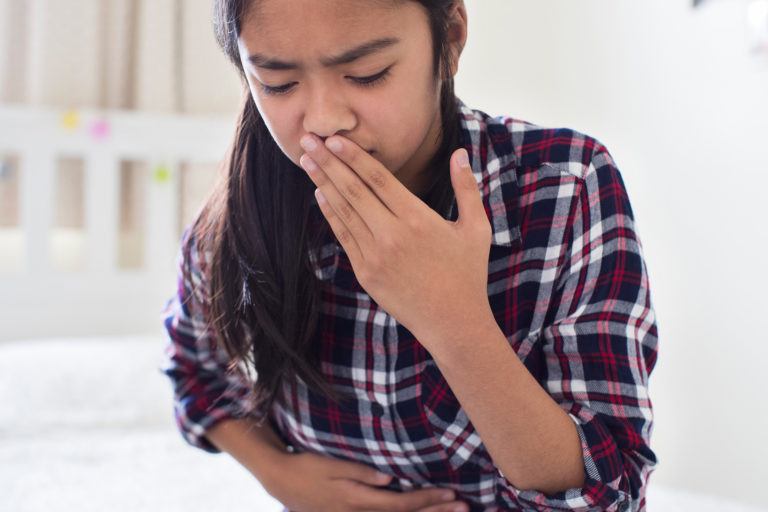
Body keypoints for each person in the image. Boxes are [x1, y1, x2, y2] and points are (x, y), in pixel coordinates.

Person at [159, 1, 659, 511]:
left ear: (452, 36)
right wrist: (279, 474)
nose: (326, 120)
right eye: (278, 83)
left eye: (367, 74)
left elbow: (610, 492)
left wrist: (452, 319)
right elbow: (191, 370)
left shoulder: (564, 186)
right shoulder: (246, 207)